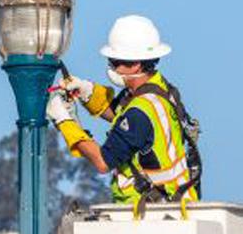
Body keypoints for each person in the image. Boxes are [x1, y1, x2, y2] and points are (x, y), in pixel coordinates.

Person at [45, 15, 201, 208]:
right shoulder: (159, 89)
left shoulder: (140, 112)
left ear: (136, 63)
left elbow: (103, 161)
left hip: (154, 211)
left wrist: (64, 122)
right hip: (173, 203)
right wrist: (87, 92)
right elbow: (119, 114)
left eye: (115, 62)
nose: (111, 67)